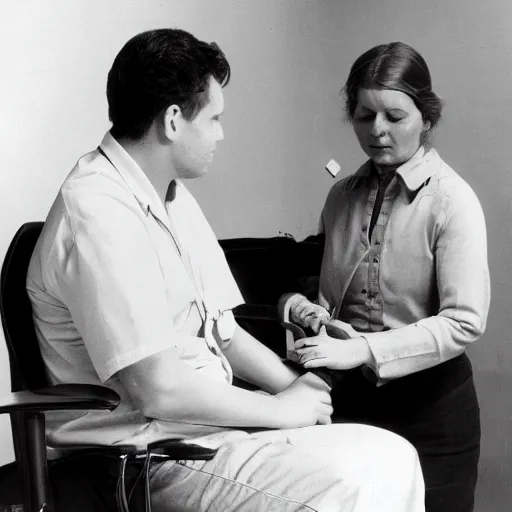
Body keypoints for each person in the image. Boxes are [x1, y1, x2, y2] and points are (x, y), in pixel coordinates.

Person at [26, 29, 425, 511]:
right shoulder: (97, 213)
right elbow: (158, 390)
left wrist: (301, 390)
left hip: (205, 439)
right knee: (352, 483)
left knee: (394, 456)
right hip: (145, 459)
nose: (221, 133)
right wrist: (281, 410)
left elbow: (225, 334)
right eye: (214, 118)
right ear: (174, 120)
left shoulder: (169, 196)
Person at [286, 42, 489, 512]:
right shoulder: (340, 197)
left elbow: (464, 322)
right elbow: (322, 289)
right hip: (349, 405)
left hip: (432, 413)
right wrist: (307, 309)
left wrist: (362, 349)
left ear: (426, 117)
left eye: (394, 117)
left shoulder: (452, 201)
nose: (376, 130)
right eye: (363, 116)